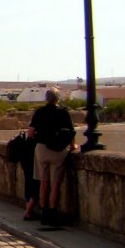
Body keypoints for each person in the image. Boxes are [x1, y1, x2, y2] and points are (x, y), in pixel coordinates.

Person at [27, 88, 77, 227]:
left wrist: (40, 137)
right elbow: (71, 132)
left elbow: (30, 133)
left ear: (46, 98)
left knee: (43, 183)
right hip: (59, 151)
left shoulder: (39, 112)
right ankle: (53, 213)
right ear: (57, 99)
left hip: (42, 149)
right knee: (55, 184)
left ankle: (45, 214)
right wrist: (72, 145)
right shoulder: (63, 112)